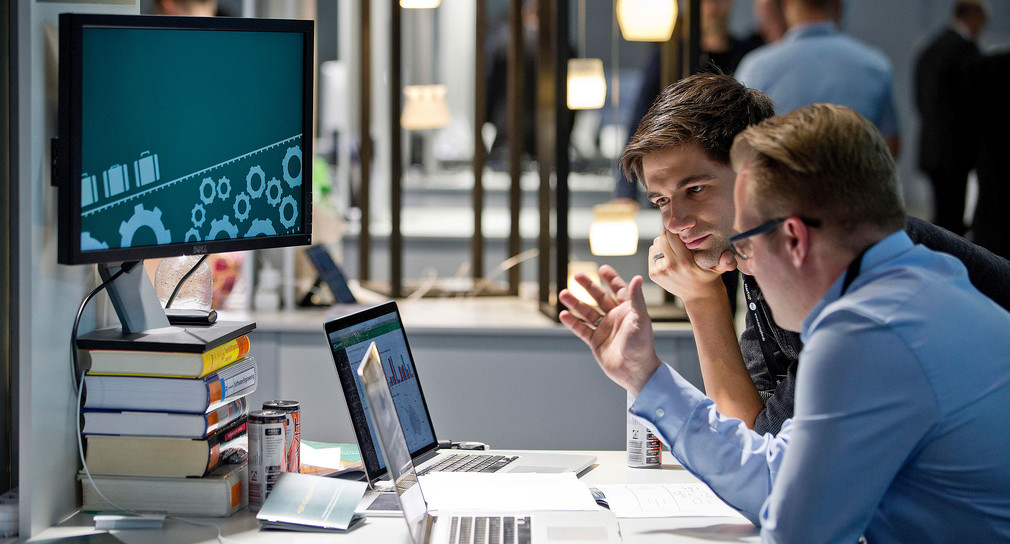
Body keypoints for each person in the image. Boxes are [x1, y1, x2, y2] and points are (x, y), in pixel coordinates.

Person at [561, 104, 1010, 542]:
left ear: (793, 238)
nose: (740, 264)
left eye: (745, 246)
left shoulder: (864, 330)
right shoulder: (935, 280)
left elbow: (796, 528)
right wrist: (644, 375)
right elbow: (779, 472)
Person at [609, 73, 1010, 435]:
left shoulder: (829, 258)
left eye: (695, 189)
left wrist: (702, 302)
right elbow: (761, 426)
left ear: (754, 172)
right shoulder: (761, 254)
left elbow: (763, 450)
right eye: (661, 200)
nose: (675, 221)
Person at [735, 0, 901, 156]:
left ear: (787, 4)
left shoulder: (757, 67)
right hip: (856, 185)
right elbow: (889, 146)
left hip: (780, 185)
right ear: (837, 4)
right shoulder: (875, 64)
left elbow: (738, 147)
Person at [914, 0, 988, 236]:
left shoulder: (929, 49)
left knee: (941, 216)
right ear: (974, 16)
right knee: (953, 220)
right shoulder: (967, 52)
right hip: (957, 151)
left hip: (931, 147)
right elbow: (973, 106)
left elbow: (920, 100)